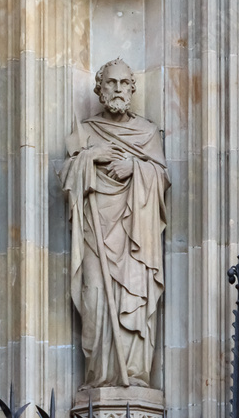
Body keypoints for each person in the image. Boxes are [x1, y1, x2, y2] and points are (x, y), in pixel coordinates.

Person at [60, 59, 168, 389]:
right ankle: (100, 377)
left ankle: (133, 375)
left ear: (132, 89)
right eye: (111, 83)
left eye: (124, 83)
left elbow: (161, 177)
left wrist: (136, 168)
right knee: (95, 297)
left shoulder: (147, 133)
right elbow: (67, 178)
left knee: (132, 297)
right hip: (96, 232)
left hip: (135, 235)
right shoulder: (87, 132)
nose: (118, 89)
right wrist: (91, 157)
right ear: (100, 89)